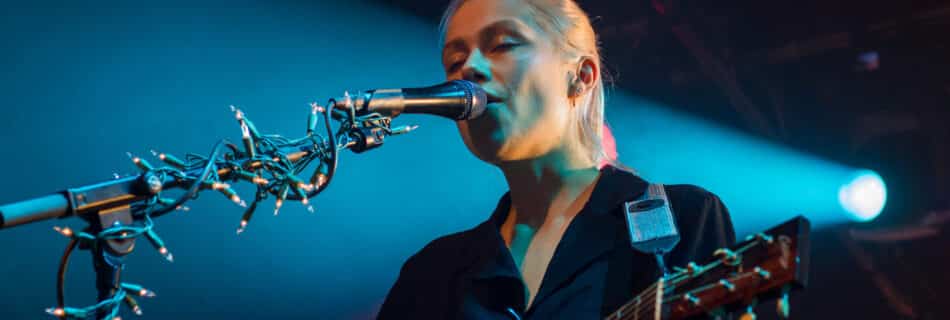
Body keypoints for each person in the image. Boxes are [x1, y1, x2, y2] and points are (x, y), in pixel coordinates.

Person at [377, 0, 735, 319]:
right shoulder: (430, 276)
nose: (468, 69)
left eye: (502, 44)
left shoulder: (681, 220)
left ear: (581, 77)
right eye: (454, 61)